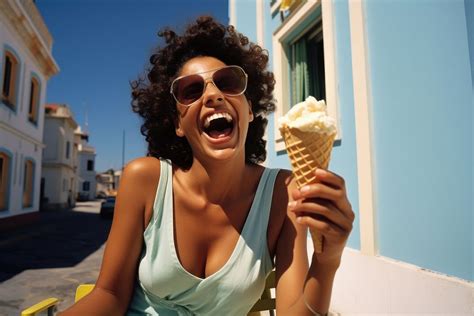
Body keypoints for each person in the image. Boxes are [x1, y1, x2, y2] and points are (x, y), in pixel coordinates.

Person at [60, 16, 354, 316]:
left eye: (228, 83)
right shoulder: (144, 180)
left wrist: (327, 262)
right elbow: (109, 294)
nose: (213, 95)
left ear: (249, 109)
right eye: (191, 91)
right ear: (177, 123)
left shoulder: (284, 192)